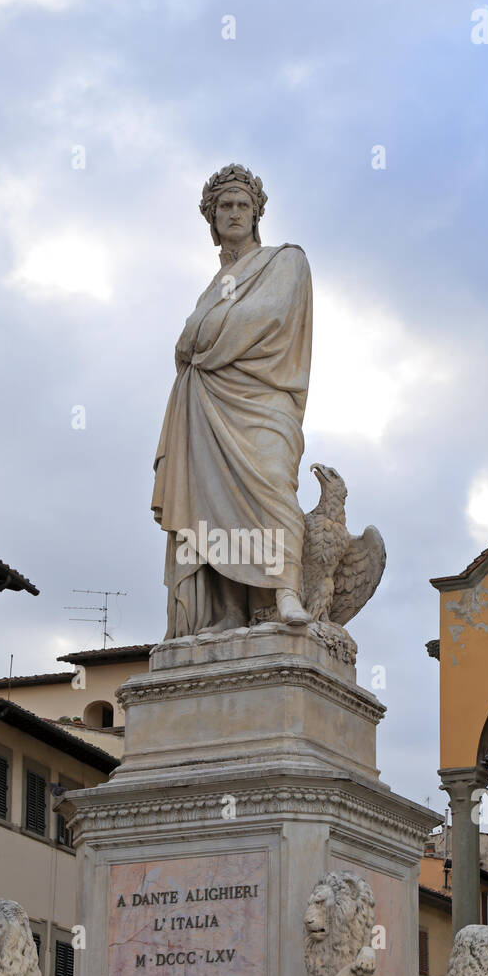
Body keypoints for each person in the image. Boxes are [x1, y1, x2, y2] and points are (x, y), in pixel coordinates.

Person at [152, 163, 313, 638]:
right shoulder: (212, 287)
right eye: (225, 206)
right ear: (212, 218)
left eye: (243, 204)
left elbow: (266, 317)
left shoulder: (285, 261)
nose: (235, 212)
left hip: (264, 399)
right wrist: (199, 338)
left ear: (257, 212)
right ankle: (227, 613)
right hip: (206, 404)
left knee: (273, 483)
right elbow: (191, 339)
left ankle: (285, 589)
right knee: (206, 501)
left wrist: (201, 337)